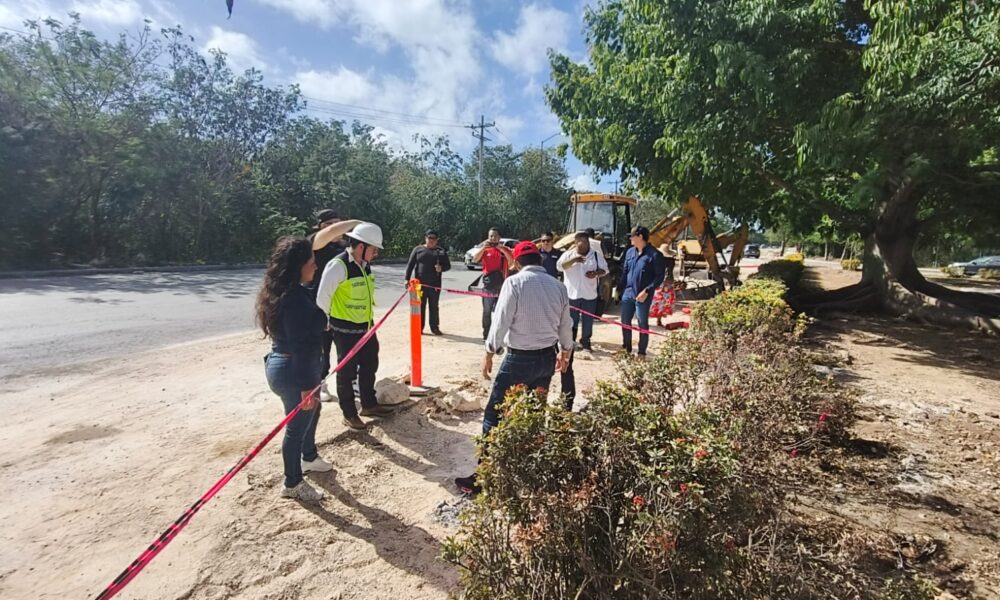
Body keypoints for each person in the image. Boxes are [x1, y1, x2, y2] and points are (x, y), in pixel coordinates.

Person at [455, 241, 573, 495]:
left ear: (517, 262)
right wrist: (566, 351)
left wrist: (489, 351)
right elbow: (566, 324)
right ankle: (528, 473)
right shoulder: (558, 286)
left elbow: (500, 320)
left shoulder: (514, 283)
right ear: (540, 261)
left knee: (494, 415)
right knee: (533, 415)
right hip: (545, 361)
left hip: (518, 360)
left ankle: (484, 477)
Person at [257, 237, 333, 502]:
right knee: (296, 427)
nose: (315, 267)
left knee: (314, 410)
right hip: (293, 370)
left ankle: (308, 456)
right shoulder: (294, 301)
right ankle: (292, 483)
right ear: (299, 266)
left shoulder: (290, 291)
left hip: (287, 364)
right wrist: (306, 387)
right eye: (312, 263)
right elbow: (302, 346)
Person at [316, 222, 394, 430]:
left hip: (366, 327)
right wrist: (325, 323)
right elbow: (323, 298)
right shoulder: (338, 266)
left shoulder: (365, 264)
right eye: (374, 249)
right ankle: (349, 413)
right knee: (347, 371)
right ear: (361, 246)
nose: (376, 253)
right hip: (345, 330)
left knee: (370, 364)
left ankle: (368, 404)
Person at [308, 210, 360, 401]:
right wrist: (355, 221)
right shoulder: (315, 244)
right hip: (318, 306)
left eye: (338, 223)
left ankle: (352, 384)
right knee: (321, 349)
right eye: (330, 223)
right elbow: (327, 235)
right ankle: (319, 384)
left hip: (343, 307)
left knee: (348, 348)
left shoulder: (346, 248)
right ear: (320, 226)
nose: (336, 227)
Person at [617, 225, 665, 357]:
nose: (630, 239)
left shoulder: (655, 255)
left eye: (632, 236)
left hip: (643, 295)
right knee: (625, 321)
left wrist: (648, 291)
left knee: (642, 323)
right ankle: (626, 349)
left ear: (640, 237)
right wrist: (619, 289)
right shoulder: (629, 252)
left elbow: (660, 276)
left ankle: (641, 352)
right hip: (628, 293)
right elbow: (625, 272)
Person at [557, 231, 609, 352]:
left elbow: (605, 270)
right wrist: (574, 260)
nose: (582, 244)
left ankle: (586, 342)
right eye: (579, 242)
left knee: (588, 321)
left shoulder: (596, 255)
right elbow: (559, 267)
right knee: (571, 321)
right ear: (575, 243)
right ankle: (571, 342)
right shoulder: (568, 255)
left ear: (588, 243)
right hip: (572, 295)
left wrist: (595, 274)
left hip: (589, 295)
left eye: (585, 241)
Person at [404, 229, 451, 335]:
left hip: (435, 285)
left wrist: (441, 268)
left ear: (437, 240)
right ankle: (419, 328)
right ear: (425, 238)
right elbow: (410, 265)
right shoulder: (418, 250)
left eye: (434, 238)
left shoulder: (441, 252)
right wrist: (406, 279)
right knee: (420, 307)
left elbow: (448, 266)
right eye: (429, 238)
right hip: (419, 285)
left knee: (434, 306)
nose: (431, 240)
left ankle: (435, 327)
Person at [472, 227, 514, 340]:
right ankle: (486, 334)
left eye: (495, 236)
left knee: (501, 311)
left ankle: (499, 334)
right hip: (488, 285)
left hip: (502, 285)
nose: (492, 238)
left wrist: (503, 249)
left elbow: (512, 262)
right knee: (486, 311)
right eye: (490, 236)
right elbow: (475, 260)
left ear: (499, 237)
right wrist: (482, 249)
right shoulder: (485, 249)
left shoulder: (505, 249)